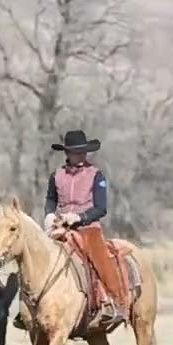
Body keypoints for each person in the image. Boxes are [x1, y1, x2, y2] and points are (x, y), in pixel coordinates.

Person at [44, 129, 130, 323]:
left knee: (101, 259)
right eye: (76, 152)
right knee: (38, 255)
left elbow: (101, 208)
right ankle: (31, 306)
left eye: (83, 152)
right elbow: (51, 198)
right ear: (67, 154)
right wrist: (49, 215)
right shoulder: (56, 176)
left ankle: (116, 302)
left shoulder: (96, 175)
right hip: (62, 227)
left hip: (89, 228)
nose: (80, 156)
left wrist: (80, 217)